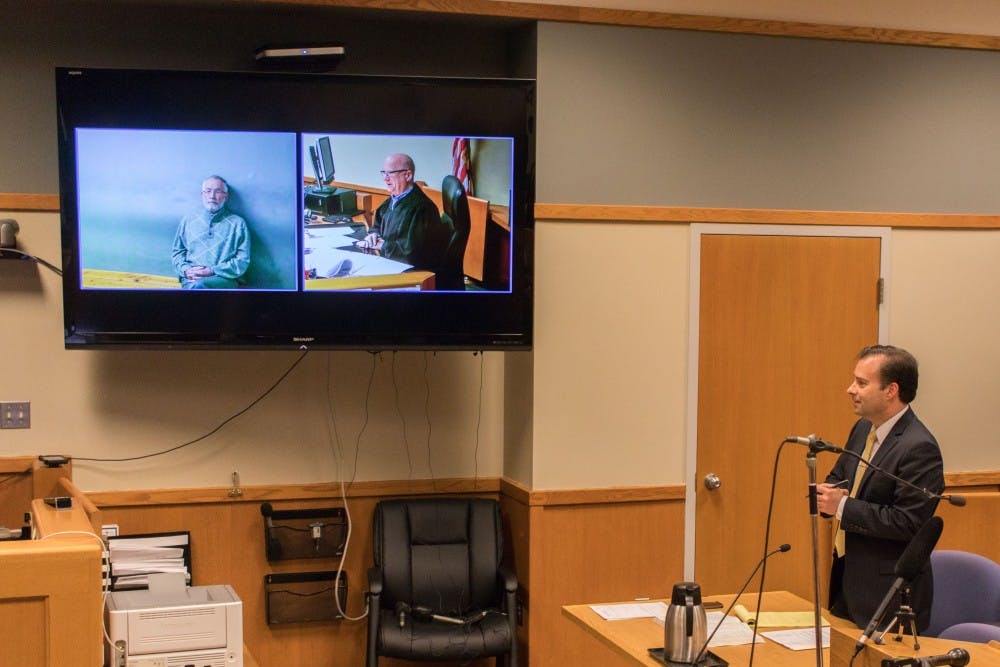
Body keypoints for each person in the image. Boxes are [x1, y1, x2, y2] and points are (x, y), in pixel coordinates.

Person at [817, 345, 944, 633]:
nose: (851, 389)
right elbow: (841, 476)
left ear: (891, 391)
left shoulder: (919, 447)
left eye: (862, 383)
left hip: (889, 594)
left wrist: (842, 506)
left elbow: (910, 523)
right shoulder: (863, 429)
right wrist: (825, 495)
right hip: (847, 583)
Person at [355, 153, 448, 273]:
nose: (385, 178)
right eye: (384, 173)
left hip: (413, 273)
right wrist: (374, 234)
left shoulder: (422, 208)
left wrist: (383, 246)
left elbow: (413, 253)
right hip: (390, 262)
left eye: (390, 173)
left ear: (408, 175)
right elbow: (378, 223)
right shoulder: (395, 198)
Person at [171, 175, 251, 289]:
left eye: (218, 191)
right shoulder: (188, 220)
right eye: (207, 191)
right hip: (192, 278)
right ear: (202, 195)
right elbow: (177, 252)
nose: (212, 196)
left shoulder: (238, 224)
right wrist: (186, 270)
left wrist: (211, 271)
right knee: (196, 286)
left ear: (226, 196)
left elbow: (242, 261)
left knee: (199, 286)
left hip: (224, 279)